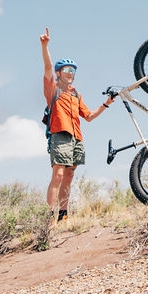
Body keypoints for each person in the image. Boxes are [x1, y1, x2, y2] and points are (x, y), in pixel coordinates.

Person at [40, 27, 112, 223]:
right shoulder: (53, 89)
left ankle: (63, 215)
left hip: (76, 138)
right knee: (58, 174)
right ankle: (49, 218)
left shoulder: (76, 94)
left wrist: (106, 104)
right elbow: (47, 68)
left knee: (69, 176)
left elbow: (88, 116)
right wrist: (45, 46)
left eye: (73, 70)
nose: (71, 73)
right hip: (60, 134)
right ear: (59, 73)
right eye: (67, 70)